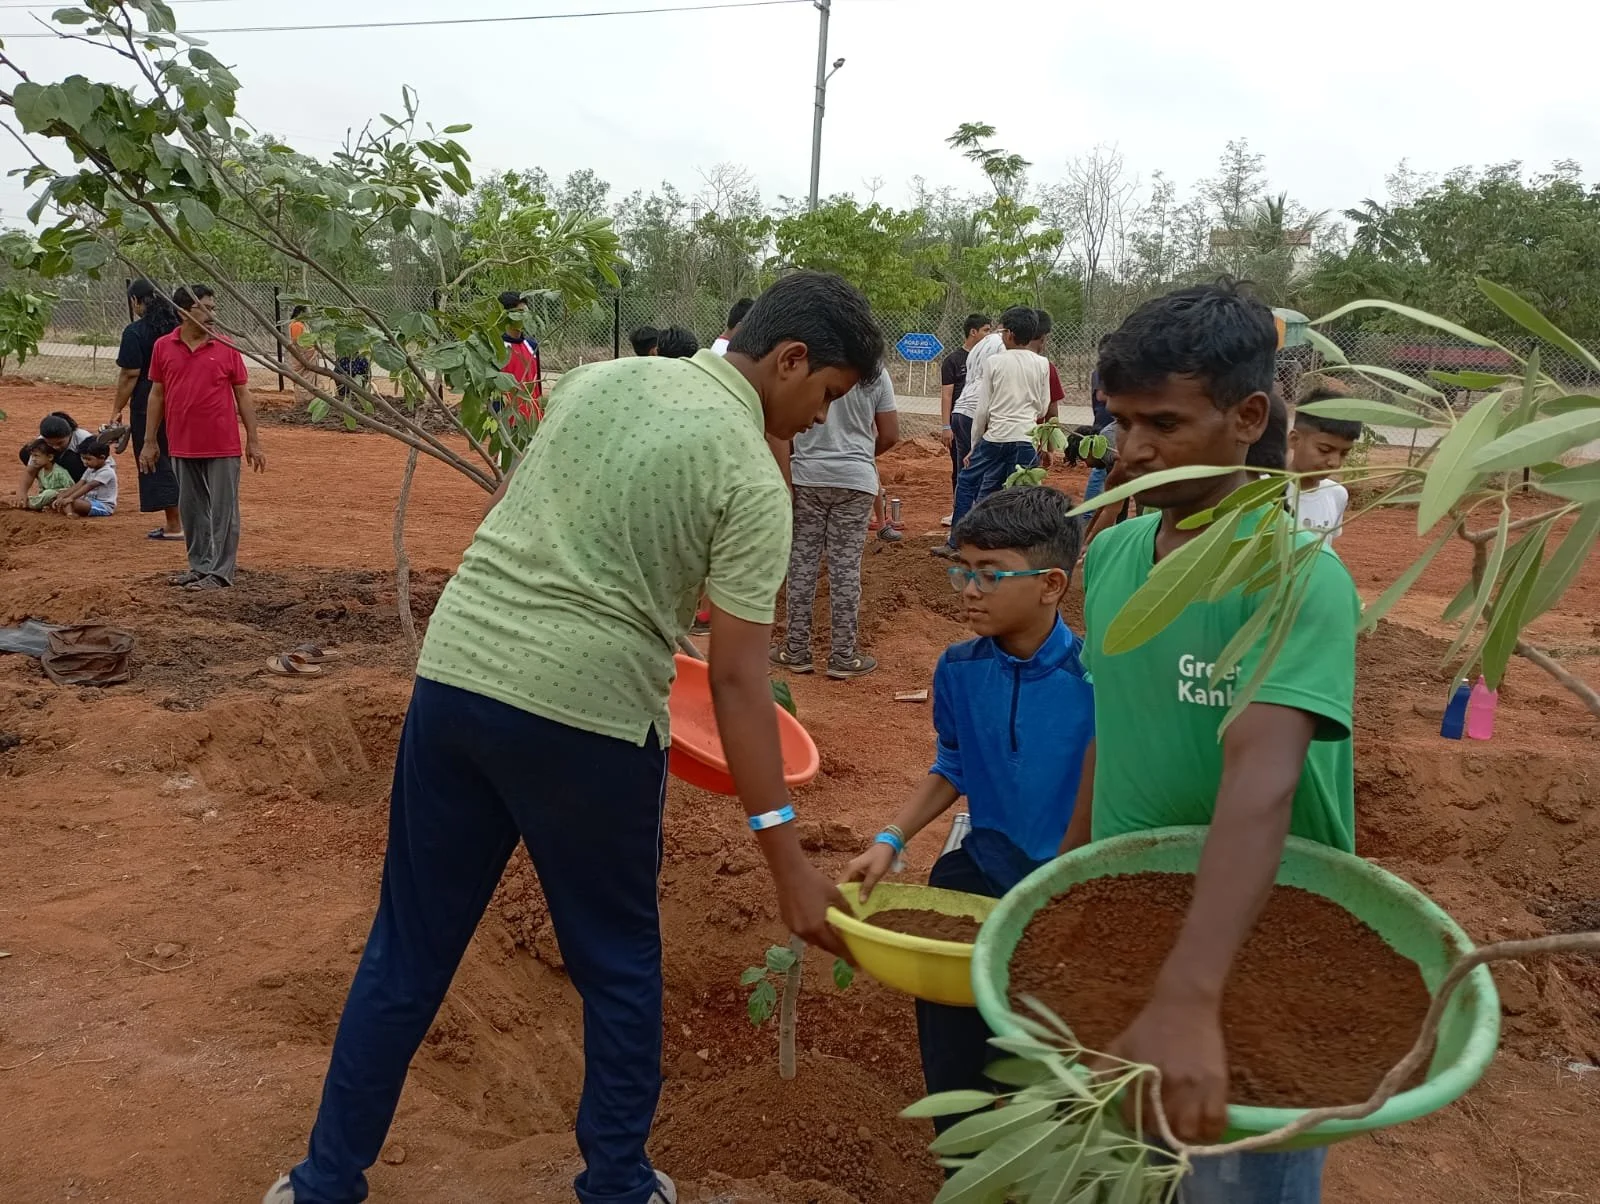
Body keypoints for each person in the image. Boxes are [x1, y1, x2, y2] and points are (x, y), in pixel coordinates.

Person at [262, 272, 882, 1204]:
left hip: (459, 673)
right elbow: (740, 682)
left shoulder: (600, 380)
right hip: (586, 720)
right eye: (826, 396)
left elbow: (522, 511)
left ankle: (323, 1182)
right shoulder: (751, 478)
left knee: (408, 948)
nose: (817, 419)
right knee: (619, 964)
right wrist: (787, 860)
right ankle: (619, 1186)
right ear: (790, 358)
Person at [1064, 281, 1358, 1204]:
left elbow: (1264, 781)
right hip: (1129, 925)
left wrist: (1191, 996)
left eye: (1163, 423)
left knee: (1236, 1187)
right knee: (1130, 1174)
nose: (1132, 451)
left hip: (1261, 948)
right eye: (1119, 423)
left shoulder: (1298, 576)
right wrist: (1066, 885)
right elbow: (1112, 726)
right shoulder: (1114, 557)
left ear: (1247, 417)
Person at [845, 486, 1092, 1138]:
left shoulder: (1097, 680)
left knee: (1061, 1058)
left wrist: (1068, 879)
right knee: (957, 1053)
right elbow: (953, 765)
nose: (970, 590)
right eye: (964, 571)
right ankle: (962, 1151)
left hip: (1069, 890)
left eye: (990, 574)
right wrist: (890, 839)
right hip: (984, 870)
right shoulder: (958, 669)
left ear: (1051, 584)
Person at [770, 364, 898, 680]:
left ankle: (795, 649)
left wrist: (788, 478)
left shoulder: (810, 367)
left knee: (802, 563)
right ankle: (843, 655)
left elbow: (779, 429)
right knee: (846, 567)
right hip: (855, 482)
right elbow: (891, 434)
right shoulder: (874, 372)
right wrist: (861, 455)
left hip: (808, 478)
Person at [142, 285, 268, 592]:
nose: (213, 314)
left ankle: (221, 572)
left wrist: (253, 439)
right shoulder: (163, 347)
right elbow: (157, 394)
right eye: (206, 308)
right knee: (191, 509)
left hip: (222, 443)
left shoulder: (227, 346)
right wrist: (149, 441)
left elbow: (242, 393)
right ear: (184, 311)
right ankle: (199, 566)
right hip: (182, 443)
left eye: (214, 308)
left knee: (225, 510)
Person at [936, 306, 1049, 553]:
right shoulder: (1042, 363)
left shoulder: (995, 362)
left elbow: (982, 410)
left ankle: (956, 543)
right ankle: (1016, 548)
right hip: (1026, 437)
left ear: (1007, 334)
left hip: (996, 437)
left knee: (967, 481)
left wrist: (974, 444)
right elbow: (1043, 406)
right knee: (1021, 491)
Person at [108, 279, 183, 539]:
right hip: (183, 400)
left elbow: (130, 374)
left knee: (155, 457)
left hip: (148, 402)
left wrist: (117, 409)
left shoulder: (135, 332)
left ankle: (174, 524)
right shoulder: (180, 328)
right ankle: (193, 520)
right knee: (183, 455)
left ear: (135, 301)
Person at [945, 314, 1005, 524]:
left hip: (960, 410)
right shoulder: (1002, 345)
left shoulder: (984, 343)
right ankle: (979, 524)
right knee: (986, 473)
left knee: (966, 473)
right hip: (976, 411)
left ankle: (960, 525)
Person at [1287, 386, 1358, 538]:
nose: (1335, 462)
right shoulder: (1263, 492)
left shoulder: (1337, 494)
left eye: (1344, 453)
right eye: (1324, 450)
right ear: (1294, 440)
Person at [14, 411, 93, 505]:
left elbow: (104, 466)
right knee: (28, 453)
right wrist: (22, 492)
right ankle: (51, 488)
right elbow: (30, 471)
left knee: (70, 459)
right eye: (50, 444)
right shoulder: (42, 440)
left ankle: (72, 492)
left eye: (60, 443)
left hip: (84, 477)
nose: (55, 447)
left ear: (70, 433)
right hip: (58, 468)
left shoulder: (84, 438)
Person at [498, 290, 543, 426]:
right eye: (519, 313)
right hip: (509, 423)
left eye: (526, 312)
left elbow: (538, 384)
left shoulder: (532, 346)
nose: (524, 317)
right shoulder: (495, 347)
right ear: (505, 315)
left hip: (533, 421)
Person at [48, 437, 118, 518]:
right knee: (61, 495)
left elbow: (89, 486)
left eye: (88, 459)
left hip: (103, 506)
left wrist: (70, 498)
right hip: (88, 501)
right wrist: (62, 496)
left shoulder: (107, 471)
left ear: (102, 457)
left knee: (74, 502)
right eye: (83, 458)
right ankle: (69, 511)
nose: (85, 462)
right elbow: (80, 483)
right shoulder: (90, 469)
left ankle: (69, 513)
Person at [1084, 335, 1113, 501]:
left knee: (1106, 468)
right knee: (1100, 468)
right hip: (1104, 421)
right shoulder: (1102, 371)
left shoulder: (1106, 370)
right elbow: (1101, 395)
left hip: (1107, 420)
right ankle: (1089, 512)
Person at [1027, 308, 1066, 423]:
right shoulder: (1047, 368)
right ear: (1043, 339)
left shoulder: (999, 363)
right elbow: (1052, 415)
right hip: (1033, 435)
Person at [15, 440, 73, 511]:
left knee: (49, 493)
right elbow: (41, 489)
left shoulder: (60, 472)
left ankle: (26, 504)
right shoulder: (41, 472)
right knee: (46, 494)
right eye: (32, 456)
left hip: (60, 498)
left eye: (36, 456)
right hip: (46, 500)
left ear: (50, 457)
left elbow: (71, 488)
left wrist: (58, 494)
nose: (33, 459)